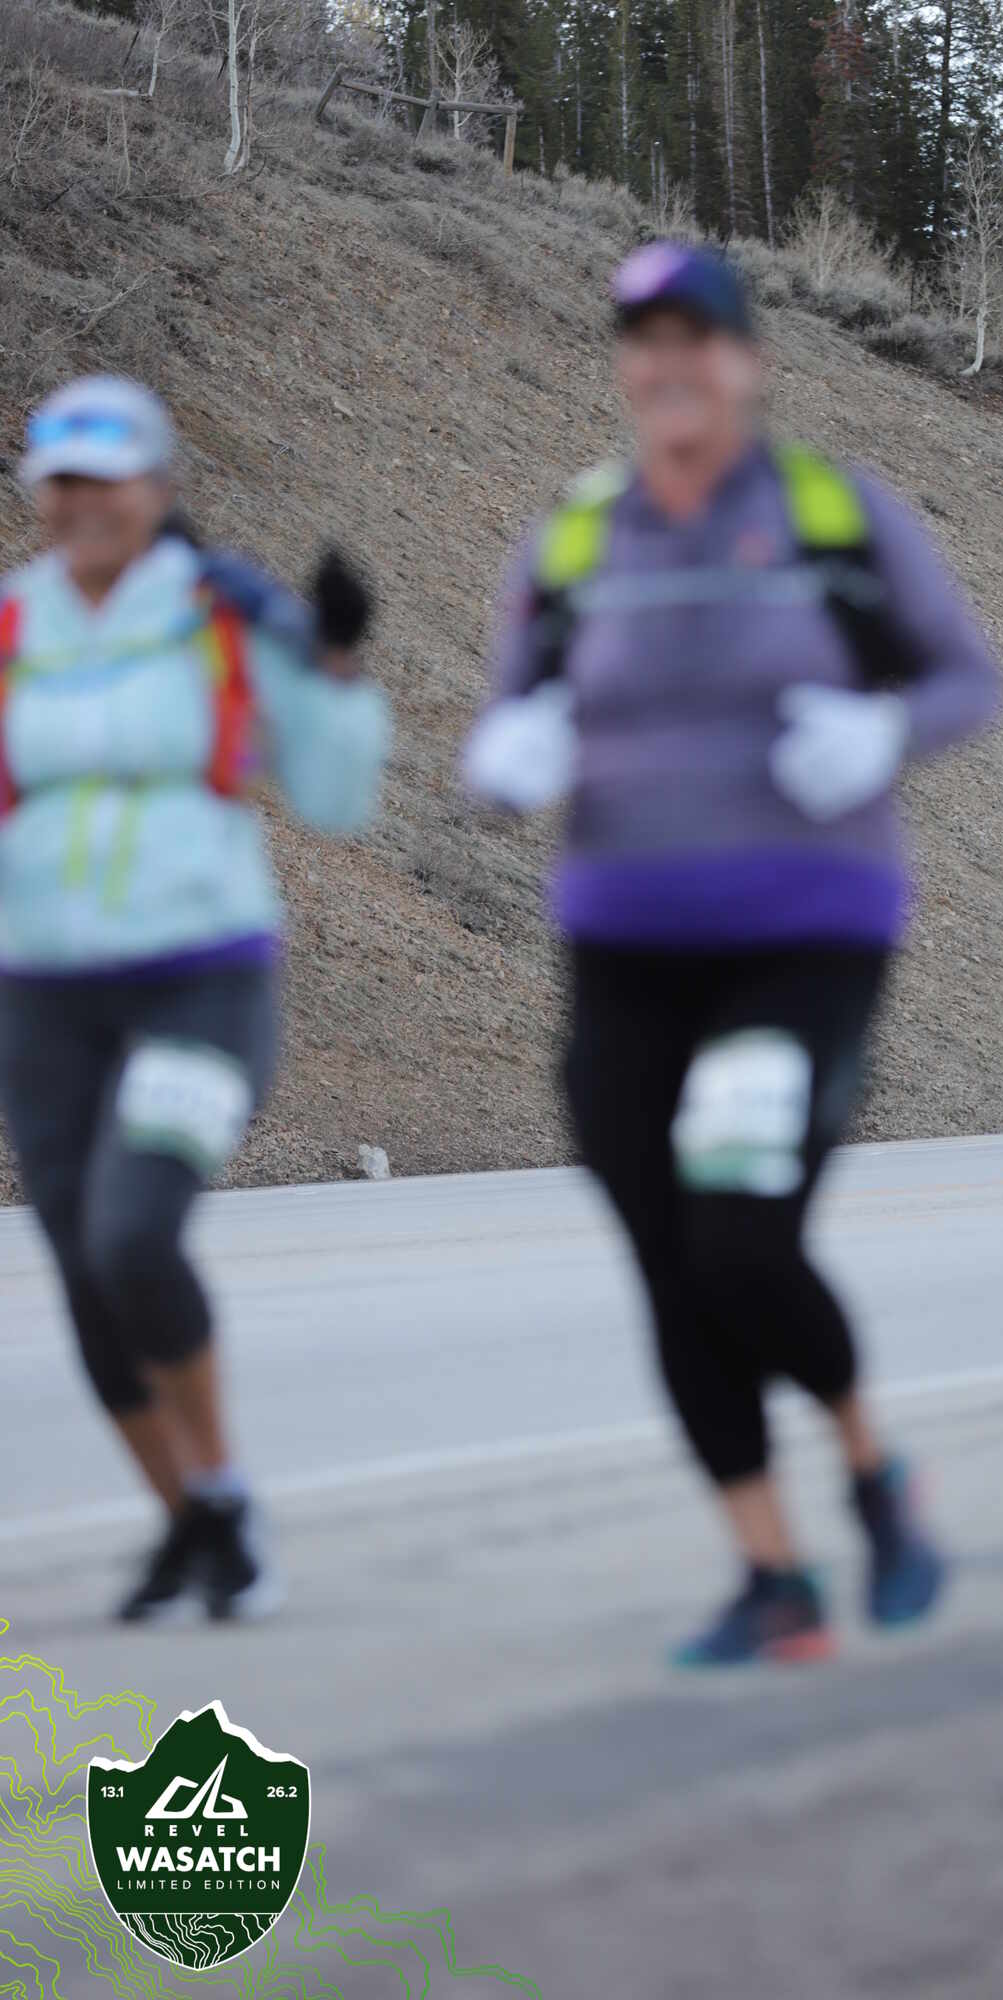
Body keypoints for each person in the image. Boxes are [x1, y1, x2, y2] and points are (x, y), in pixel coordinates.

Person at [463, 243, 1003, 1667]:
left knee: (739, 1240)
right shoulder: (577, 535)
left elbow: (964, 677)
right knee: (665, 1262)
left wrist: (883, 730)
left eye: (694, 339)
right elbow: (508, 712)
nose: (669, 365)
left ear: (747, 362)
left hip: (802, 941)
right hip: (622, 951)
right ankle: (773, 1578)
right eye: (643, 342)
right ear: (623, 369)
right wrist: (507, 756)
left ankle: (874, 1478)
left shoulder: (832, 515)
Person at [0, 375, 391, 1622]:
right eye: (61, 483)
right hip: (43, 993)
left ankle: (219, 1490)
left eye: (106, 482)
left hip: (199, 979)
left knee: (133, 1234)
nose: (83, 505)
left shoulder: (221, 614)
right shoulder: (15, 622)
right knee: (81, 1268)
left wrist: (334, 669)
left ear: (157, 488)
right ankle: (189, 1524)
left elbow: (333, 796)